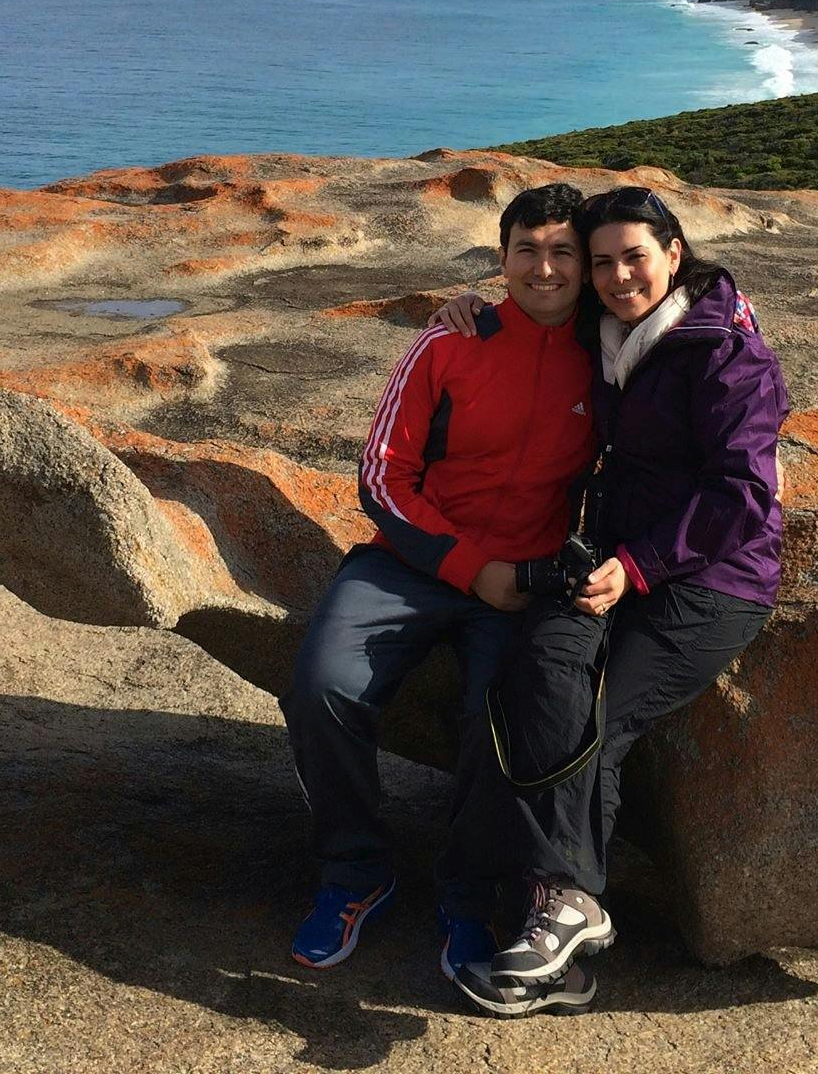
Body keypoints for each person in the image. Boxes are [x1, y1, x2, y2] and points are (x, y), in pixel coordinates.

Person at [433, 184, 787, 1017]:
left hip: (710, 577)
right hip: (605, 561)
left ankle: (560, 906)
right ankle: (564, 936)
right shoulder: (608, 333)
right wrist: (469, 309)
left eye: (637, 256)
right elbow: (532, 303)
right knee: (539, 672)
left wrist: (640, 565)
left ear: (675, 252)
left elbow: (744, 494)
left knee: (602, 715)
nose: (620, 275)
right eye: (604, 262)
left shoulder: (727, 353)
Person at [281, 182, 597, 979]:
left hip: (529, 579)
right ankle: (356, 873)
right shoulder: (449, 343)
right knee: (322, 684)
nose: (546, 268)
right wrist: (466, 565)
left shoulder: (610, 353)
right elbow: (381, 478)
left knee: (499, 724)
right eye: (527, 249)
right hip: (414, 563)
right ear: (502, 258)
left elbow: (702, 323)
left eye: (564, 251)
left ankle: (467, 893)